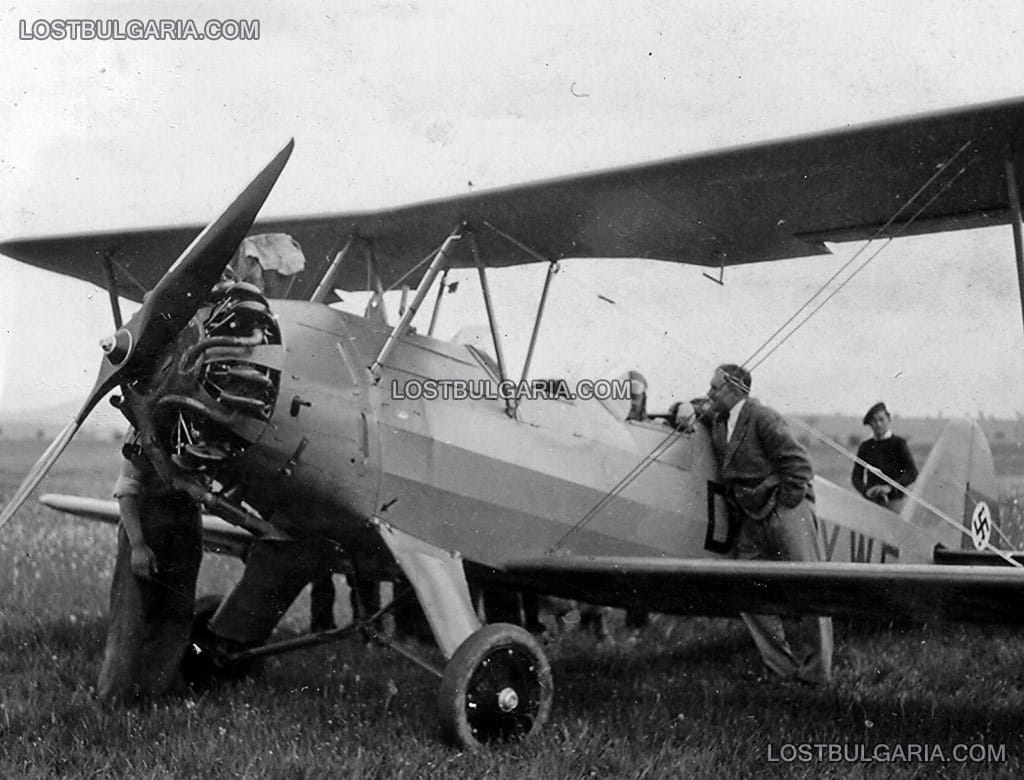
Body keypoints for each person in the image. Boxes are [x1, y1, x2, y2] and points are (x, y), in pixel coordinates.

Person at [697, 364, 833, 685]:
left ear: (734, 390)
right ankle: (781, 668)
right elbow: (700, 408)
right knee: (744, 589)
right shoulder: (720, 420)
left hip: (785, 509)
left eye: (714, 388)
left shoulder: (763, 417)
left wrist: (782, 503)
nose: (709, 393)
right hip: (751, 516)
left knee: (810, 586)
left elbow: (800, 466)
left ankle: (817, 675)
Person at [97, 428, 203, 704]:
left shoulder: (199, 431)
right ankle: (114, 698)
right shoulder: (145, 430)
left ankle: (157, 692)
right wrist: (139, 546)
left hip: (186, 528)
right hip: (146, 527)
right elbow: (127, 490)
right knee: (130, 617)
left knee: (176, 613)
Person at [851, 401, 918, 513]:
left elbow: (912, 472)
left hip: (895, 501)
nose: (878, 424)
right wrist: (866, 491)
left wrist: (890, 487)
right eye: (874, 421)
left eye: (881, 420)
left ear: (888, 420)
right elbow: (856, 477)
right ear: (870, 424)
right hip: (872, 502)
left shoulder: (899, 443)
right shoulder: (865, 446)